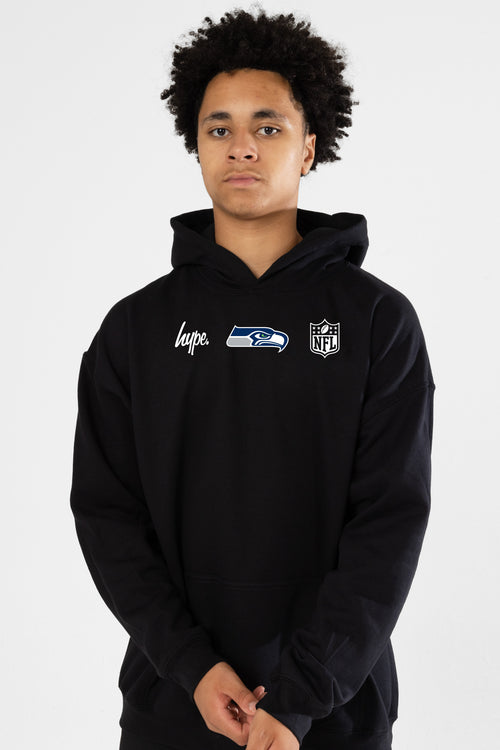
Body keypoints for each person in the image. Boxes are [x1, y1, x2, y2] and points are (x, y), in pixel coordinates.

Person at [69, 7, 435, 750]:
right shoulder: (135, 329)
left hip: (335, 712)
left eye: (268, 127)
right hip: (174, 702)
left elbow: (390, 521)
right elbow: (107, 517)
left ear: (308, 148)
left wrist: (303, 695)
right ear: (197, 147)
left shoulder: (378, 321)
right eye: (219, 128)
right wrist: (194, 667)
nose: (242, 146)